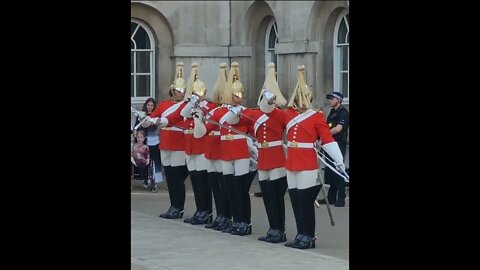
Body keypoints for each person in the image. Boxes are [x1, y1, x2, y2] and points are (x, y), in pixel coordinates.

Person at [260, 65, 345, 249]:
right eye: (300, 99)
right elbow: (268, 111)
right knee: (296, 201)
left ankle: (309, 236)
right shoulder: (288, 114)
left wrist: (338, 160)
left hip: (307, 162)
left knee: (306, 202)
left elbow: (327, 139)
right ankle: (300, 234)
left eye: (305, 99)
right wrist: (268, 98)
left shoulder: (317, 116)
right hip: (291, 162)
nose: (302, 103)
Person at [193, 62, 255, 236]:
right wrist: (198, 118)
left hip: (240, 152)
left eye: (240, 94)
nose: (238, 97)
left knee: (241, 189)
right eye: (235, 94)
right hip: (226, 153)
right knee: (230, 189)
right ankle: (236, 220)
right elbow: (202, 132)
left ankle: (245, 222)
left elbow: (253, 130)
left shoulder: (245, 111)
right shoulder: (219, 112)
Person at [240, 63, 289, 243]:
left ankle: (280, 229)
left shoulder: (281, 114)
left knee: (276, 195)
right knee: (267, 195)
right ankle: (272, 227)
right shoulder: (254, 114)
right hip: (263, 155)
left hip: (276, 154)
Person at [149, 62, 189, 219]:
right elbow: (153, 118)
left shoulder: (185, 106)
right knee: (171, 178)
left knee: (178, 178)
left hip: (179, 144)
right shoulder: (164, 104)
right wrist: (148, 120)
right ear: (172, 90)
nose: (181, 93)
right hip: (166, 143)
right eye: (179, 91)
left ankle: (178, 207)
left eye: (183, 91)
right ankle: (173, 205)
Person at [179, 63, 216, 225]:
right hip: (190, 146)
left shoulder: (208, 107)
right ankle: (199, 209)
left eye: (199, 93)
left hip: (201, 146)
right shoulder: (190, 106)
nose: (198, 96)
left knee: (203, 181)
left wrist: (199, 107)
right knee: (194, 180)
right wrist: (191, 103)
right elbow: (183, 114)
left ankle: (206, 211)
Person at [201, 63, 232, 231]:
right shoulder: (212, 110)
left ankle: (226, 215)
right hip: (211, 151)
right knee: (215, 186)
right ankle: (221, 215)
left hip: (221, 151)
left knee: (223, 186)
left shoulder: (222, 111)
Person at [317, 91, 349, 207]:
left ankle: (341, 198)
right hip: (329, 142)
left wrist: (325, 134)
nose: (330, 100)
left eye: (332, 98)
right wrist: (321, 138)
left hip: (338, 143)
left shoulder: (343, 113)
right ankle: (331, 197)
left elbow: (338, 129)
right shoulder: (332, 112)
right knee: (330, 170)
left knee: (339, 169)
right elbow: (326, 126)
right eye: (329, 99)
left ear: (338, 100)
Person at [134, 97, 163, 192]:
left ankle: (155, 181)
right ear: (145, 106)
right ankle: (145, 180)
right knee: (144, 160)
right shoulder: (141, 115)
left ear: (154, 106)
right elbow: (136, 127)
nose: (150, 107)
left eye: (152, 105)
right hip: (144, 142)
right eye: (148, 105)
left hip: (155, 141)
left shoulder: (157, 116)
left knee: (155, 162)